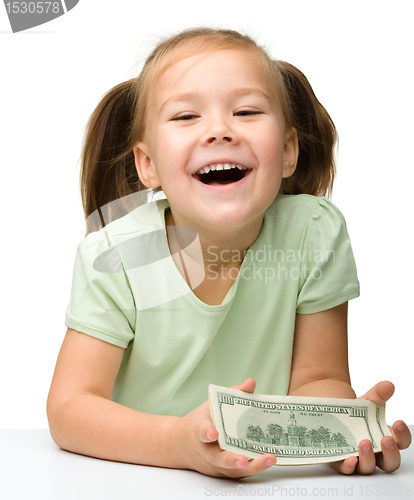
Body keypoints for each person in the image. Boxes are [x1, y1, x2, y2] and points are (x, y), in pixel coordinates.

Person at [47, 27, 411, 478]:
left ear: (287, 151)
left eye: (246, 111)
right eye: (185, 117)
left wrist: (338, 429)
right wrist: (176, 443)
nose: (219, 130)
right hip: (140, 476)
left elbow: (320, 376)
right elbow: (69, 408)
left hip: (267, 477)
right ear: (148, 165)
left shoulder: (314, 232)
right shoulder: (116, 255)